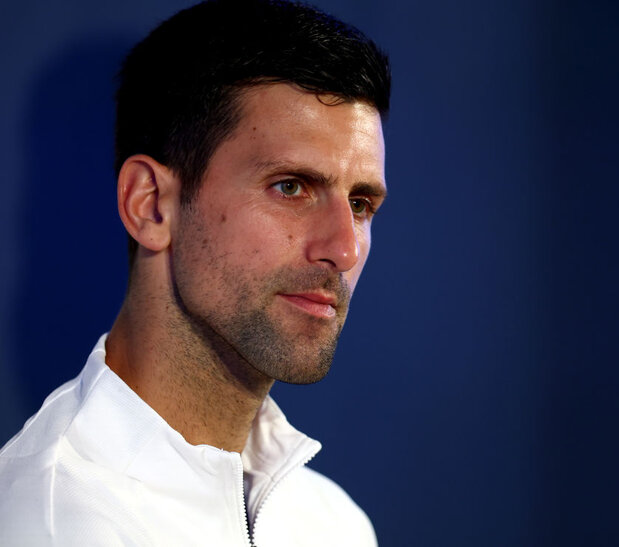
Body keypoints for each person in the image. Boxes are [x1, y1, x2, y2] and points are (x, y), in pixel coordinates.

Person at [0, 0, 390, 545]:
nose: (344, 250)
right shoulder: (47, 524)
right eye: (291, 187)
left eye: (361, 204)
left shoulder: (334, 524)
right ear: (150, 205)